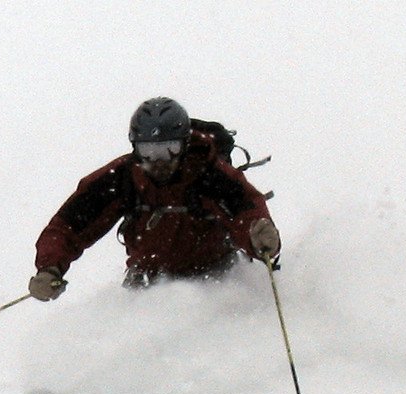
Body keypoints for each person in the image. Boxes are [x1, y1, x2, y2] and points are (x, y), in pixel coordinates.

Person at [28, 97, 281, 300]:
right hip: (146, 286)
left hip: (216, 280)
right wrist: (50, 268)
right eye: (148, 150)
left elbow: (247, 213)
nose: (159, 160)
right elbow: (69, 226)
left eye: (169, 149)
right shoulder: (122, 178)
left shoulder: (209, 174)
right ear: (135, 147)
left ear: (184, 144)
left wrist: (262, 239)